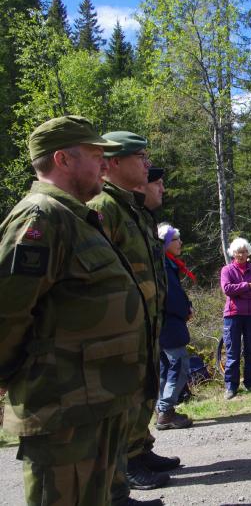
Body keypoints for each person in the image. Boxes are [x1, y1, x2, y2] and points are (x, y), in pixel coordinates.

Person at [0, 116, 153, 506]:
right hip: (63, 408)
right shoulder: (40, 217)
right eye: (95, 154)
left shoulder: (76, 216)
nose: (104, 163)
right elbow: (8, 311)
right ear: (63, 159)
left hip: (95, 401)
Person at [88, 130, 175, 498]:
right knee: (128, 393)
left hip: (144, 320)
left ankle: (140, 449)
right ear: (114, 162)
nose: (146, 163)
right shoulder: (103, 206)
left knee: (145, 386)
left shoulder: (131, 207)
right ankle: (127, 460)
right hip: (123, 324)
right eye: (140, 157)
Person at [156, 223, 194, 430]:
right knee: (179, 365)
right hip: (170, 325)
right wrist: (186, 310)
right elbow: (171, 296)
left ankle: (162, 409)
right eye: (176, 239)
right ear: (165, 243)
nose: (180, 242)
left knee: (165, 368)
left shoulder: (164, 263)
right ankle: (166, 411)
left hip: (162, 325)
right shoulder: (164, 265)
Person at [220, 238, 251, 399]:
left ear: (248, 253)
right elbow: (227, 289)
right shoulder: (227, 270)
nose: (242, 255)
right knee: (233, 352)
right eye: (239, 252)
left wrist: (238, 292)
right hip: (233, 315)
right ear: (233, 253)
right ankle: (231, 387)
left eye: (245, 252)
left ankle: (250, 382)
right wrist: (246, 286)